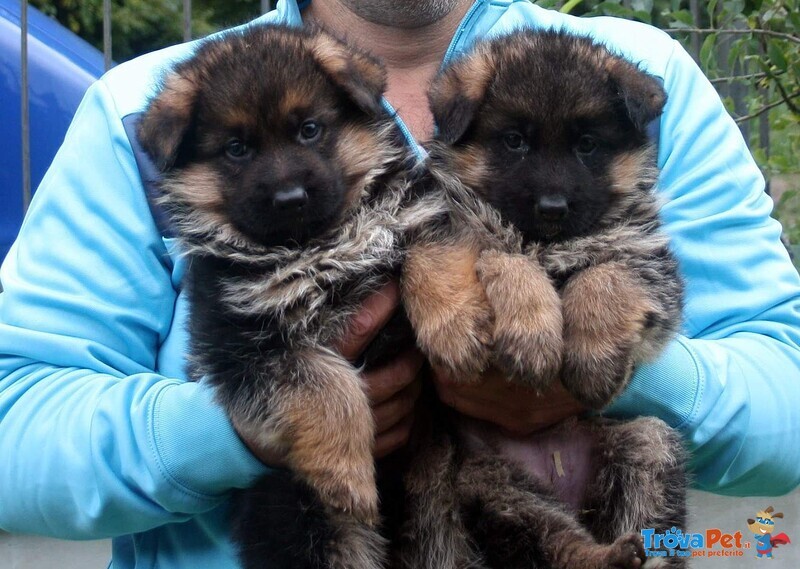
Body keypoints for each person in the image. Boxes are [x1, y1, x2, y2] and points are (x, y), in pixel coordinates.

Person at [0, 0, 798, 567]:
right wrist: (230, 433)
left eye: (312, 132)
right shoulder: (133, 114)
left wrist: (625, 377)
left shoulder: (644, 75)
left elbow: (784, 399)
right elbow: (16, 428)